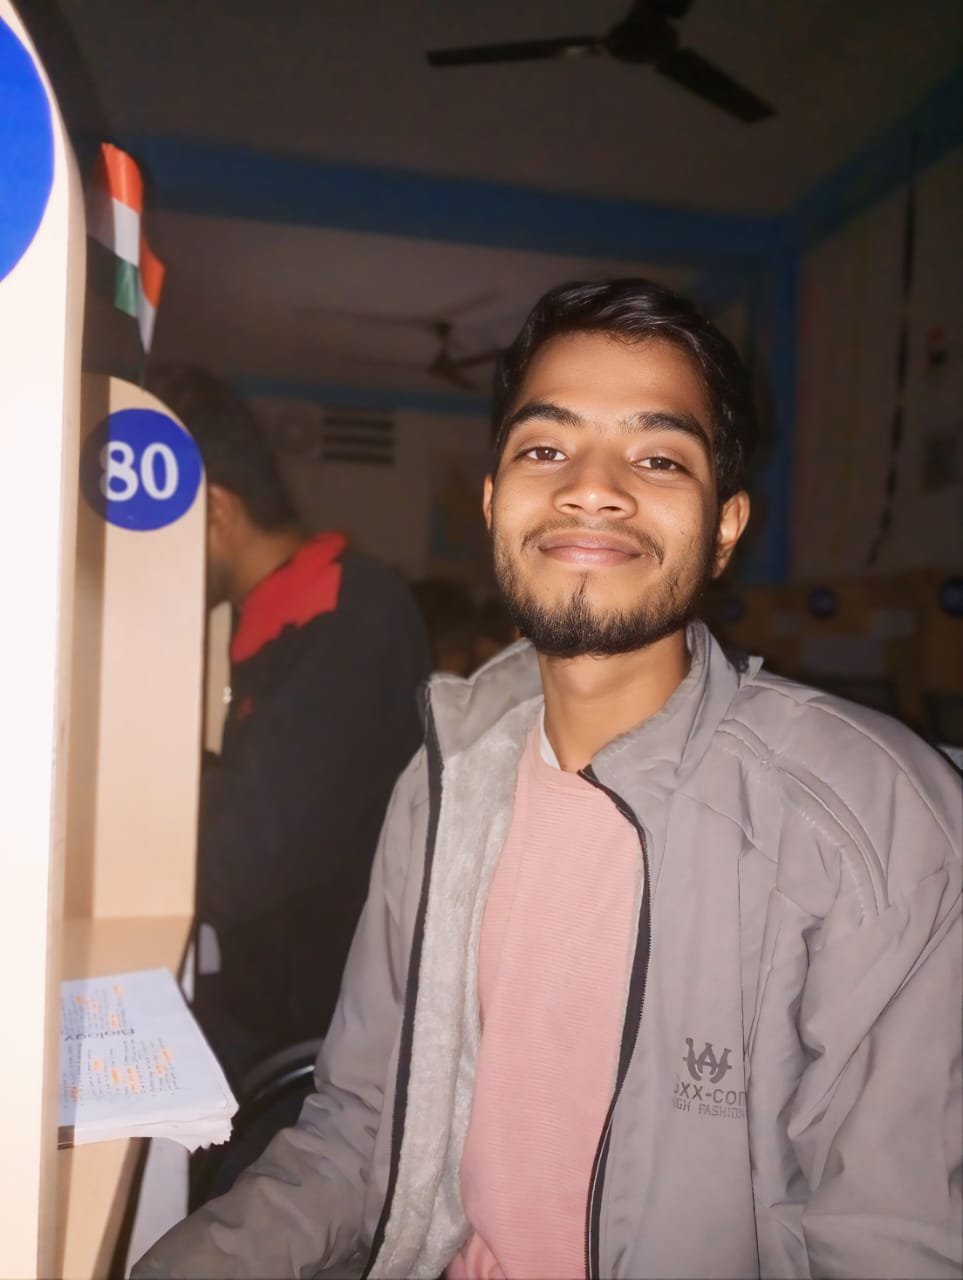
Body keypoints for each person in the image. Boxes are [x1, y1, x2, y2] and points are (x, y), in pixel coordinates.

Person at [135, 283, 962, 1279]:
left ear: (726, 525)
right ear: (493, 501)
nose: (591, 488)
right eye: (545, 448)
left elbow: (889, 1244)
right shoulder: (447, 784)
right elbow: (357, 1132)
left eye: (658, 458)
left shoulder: (872, 823)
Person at [145, 365, 431, 1087]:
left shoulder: (345, 615)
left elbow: (240, 858)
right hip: (267, 1006)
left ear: (215, 510)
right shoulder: (277, 618)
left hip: (319, 1046)